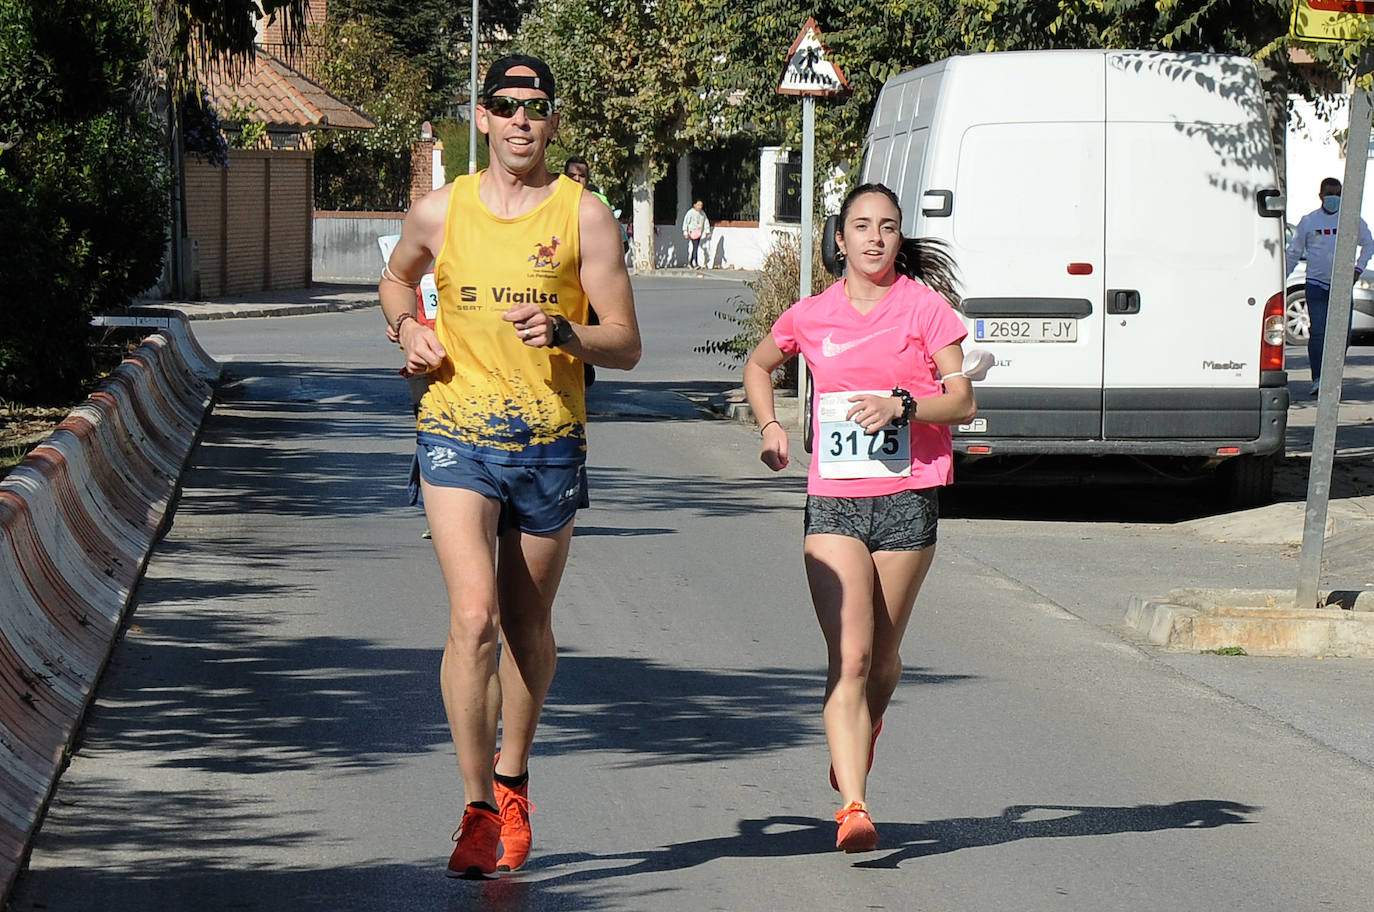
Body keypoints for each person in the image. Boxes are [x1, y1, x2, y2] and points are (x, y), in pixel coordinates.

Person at [378, 54, 642, 879]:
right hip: (454, 432)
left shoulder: (585, 217)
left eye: (536, 107)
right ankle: (476, 810)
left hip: (547, 442)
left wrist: (568, 332)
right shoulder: (438, 212)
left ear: (553, 123)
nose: (522, 119)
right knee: (473, 619)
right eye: (506, 104)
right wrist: (407, 331)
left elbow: (627, 343)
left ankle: (513, 776)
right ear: (482, 118)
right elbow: (394, 281)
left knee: (526, 628)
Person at [742, 183, 976, 854]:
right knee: (849, 654)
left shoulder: (925, 309)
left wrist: (905, 405)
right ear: (837, 239)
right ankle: (853, 804)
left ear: (901, 239)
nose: (876, 237)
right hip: (836, 500)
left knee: (883, 658)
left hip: (909, 498)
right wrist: (769, 426)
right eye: (862, 226)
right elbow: (760, 365)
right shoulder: (813, 315)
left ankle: (859, 734)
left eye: (889, 227)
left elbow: (960, 400)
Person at [1285, 176, 1373, 395]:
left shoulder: (1351, 220)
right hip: (1316, 284)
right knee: (1318, 333)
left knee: (1342, 334)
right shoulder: (1309, 221)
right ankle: (1318, 378)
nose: (1333, 198)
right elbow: (1293, 252)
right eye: (1329, 194)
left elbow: (1368, 244)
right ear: (1321, 196)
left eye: (1337, 194)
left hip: (1341, 285)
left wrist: (1358, 269)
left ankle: (1333, 376)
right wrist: (1281, 277)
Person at [681, 199, 711, 268]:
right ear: (694, 205)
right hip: (692, 232)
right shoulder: (690, 213)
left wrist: (708, 231)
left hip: (699, 232)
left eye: (701, 205)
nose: (700, 207)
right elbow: (685, 223)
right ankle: (696, 263)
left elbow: (706, 221)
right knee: (695, 247)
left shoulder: (702, 213)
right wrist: (685, 232)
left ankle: (690, 262)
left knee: (695, 247)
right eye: (698, 205)